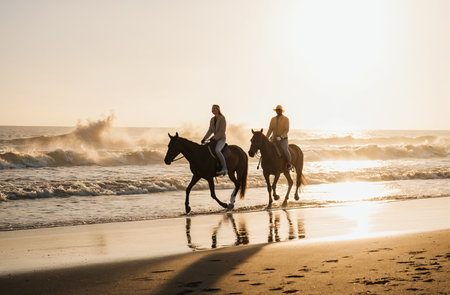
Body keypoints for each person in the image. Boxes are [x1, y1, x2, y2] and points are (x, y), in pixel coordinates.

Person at [201, 104, 228, 176]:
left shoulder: (222, 118)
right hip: (214, 139)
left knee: (217, 150)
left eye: (215, 108)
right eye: (212, 109)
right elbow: (210, 130)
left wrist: (214, 138)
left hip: (221, 139)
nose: (213, 110)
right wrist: (204, 138)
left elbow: (222, 131)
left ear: (218, 110)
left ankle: (225, 168)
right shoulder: (212, 120)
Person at [266, 105, 292, 169]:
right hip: (274, 138)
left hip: (283, 139)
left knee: (285, 150)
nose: (278, 111)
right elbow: (270, 129)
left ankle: (289, 163)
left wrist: (281, 137)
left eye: (279, 110)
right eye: (277, 110)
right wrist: (266, 137)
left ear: (281, 111)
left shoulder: (286, 119)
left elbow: (286, 130)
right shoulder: (273, 119)